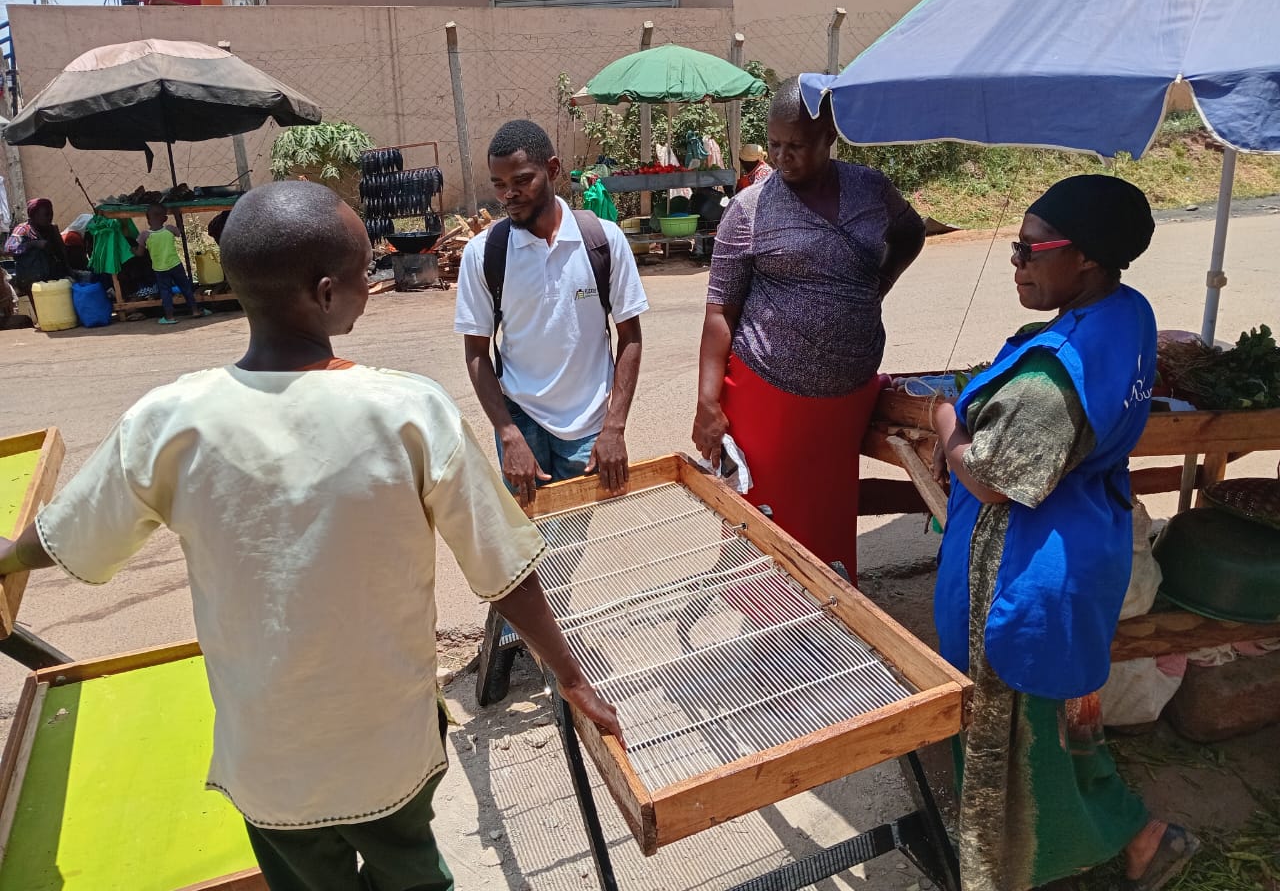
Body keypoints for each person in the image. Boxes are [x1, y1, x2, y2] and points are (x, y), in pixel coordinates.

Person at [0, 180, 623, 891]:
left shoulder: (168, 421)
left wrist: (8, 555)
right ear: (326, 293)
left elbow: (70, 534)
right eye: (366, 270)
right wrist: (570, 675)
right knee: (412, 873)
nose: (374, 281)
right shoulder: (407, 412)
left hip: (269, 762)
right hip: (387, 748)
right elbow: (504, 567)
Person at [930, 176, 1198, 890]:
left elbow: (990, 478)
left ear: (1084, 259)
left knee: (1019, 746)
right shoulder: (1127, 313)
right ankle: (1137, 840)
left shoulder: (1054, 380)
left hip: (1027, 577)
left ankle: (1073, 856)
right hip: (1080, 551)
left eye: (1028, 250)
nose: (1015, 264)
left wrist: (946, 424)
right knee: (1063, 727)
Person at [692, 78, 926, 583]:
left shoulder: (869, 188)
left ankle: (830, 630)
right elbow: (719, 313)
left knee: (826, 515)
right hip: (768, 397)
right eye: (774, 144)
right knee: (768, 524)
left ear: (828, 140)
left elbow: (911, 232)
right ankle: (771, 641)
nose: (782, 157)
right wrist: (707, 403)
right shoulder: (751, 208)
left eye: (796, 145)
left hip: (845, 399)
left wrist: (876, 284)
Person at [455, 119, 648, 506]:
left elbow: (630, 337)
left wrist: (614, 426)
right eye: (498, 184)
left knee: (571, 539)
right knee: (529, 541)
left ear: (554, 170)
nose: (509, 194)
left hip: (588, 426)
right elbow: (476, 352)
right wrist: (509, 435)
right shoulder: (484, 254)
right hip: (520, 419)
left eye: (522, 180)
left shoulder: (603, 241)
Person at [138, 203, 208, 324]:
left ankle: (169, 317)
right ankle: (195, 310)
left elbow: (139, 253)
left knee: (165, 292)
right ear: (165, 218)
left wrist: (132, 249)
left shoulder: (144, 235)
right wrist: (177, 216)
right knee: (185, 287)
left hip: (160, 269)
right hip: (175, 265)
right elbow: (180, 232)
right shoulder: (169, 229)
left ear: (148, 219)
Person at [4, 197, 70, 292]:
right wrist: (33, 244)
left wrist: (69, 270)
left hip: (52, 279)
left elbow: (62, 251)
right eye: (46, 215)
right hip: (31, 282)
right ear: (34, 216)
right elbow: (8, 250)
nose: (50, 218)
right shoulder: (23, 230)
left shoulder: (52, 229)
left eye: (51, 214)